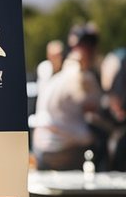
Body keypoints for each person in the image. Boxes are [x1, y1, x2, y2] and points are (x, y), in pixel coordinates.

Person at [33, 24, 102, 171]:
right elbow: (93, 107)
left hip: (42, 146)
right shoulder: (80, 75)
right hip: (61, 148)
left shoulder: (61, 75)